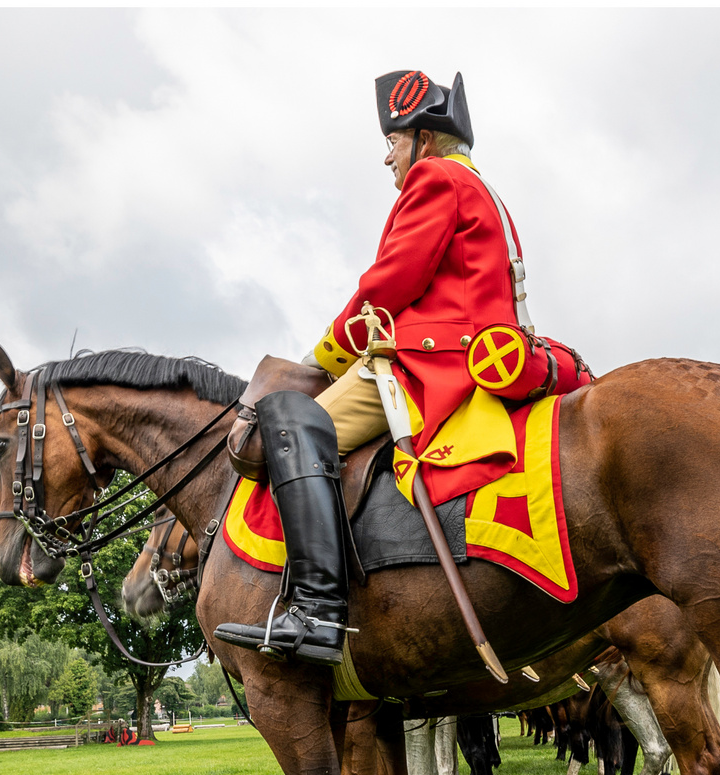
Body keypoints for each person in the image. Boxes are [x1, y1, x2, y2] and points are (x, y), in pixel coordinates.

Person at [215, 69, 511, 667]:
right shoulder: (478, 185)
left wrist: (319, 356)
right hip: (472, 349)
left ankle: (317, 610)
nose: (388, 160)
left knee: (290, 430)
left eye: (393, 143)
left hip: (429, 362)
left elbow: (387, 287)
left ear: (424, 140)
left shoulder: (434, 178)